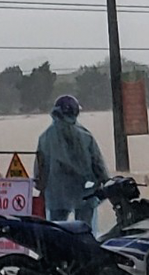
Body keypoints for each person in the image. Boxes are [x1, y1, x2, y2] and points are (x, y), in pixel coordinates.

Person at [35, 95, 108, 227]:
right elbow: (98, 163)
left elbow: (40, 167)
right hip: (84, 189)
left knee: (57, 229)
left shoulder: (45, 137)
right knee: (85, 229)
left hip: (57, 192)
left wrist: (40, 185)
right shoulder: (85, 135)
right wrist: (106, 182)